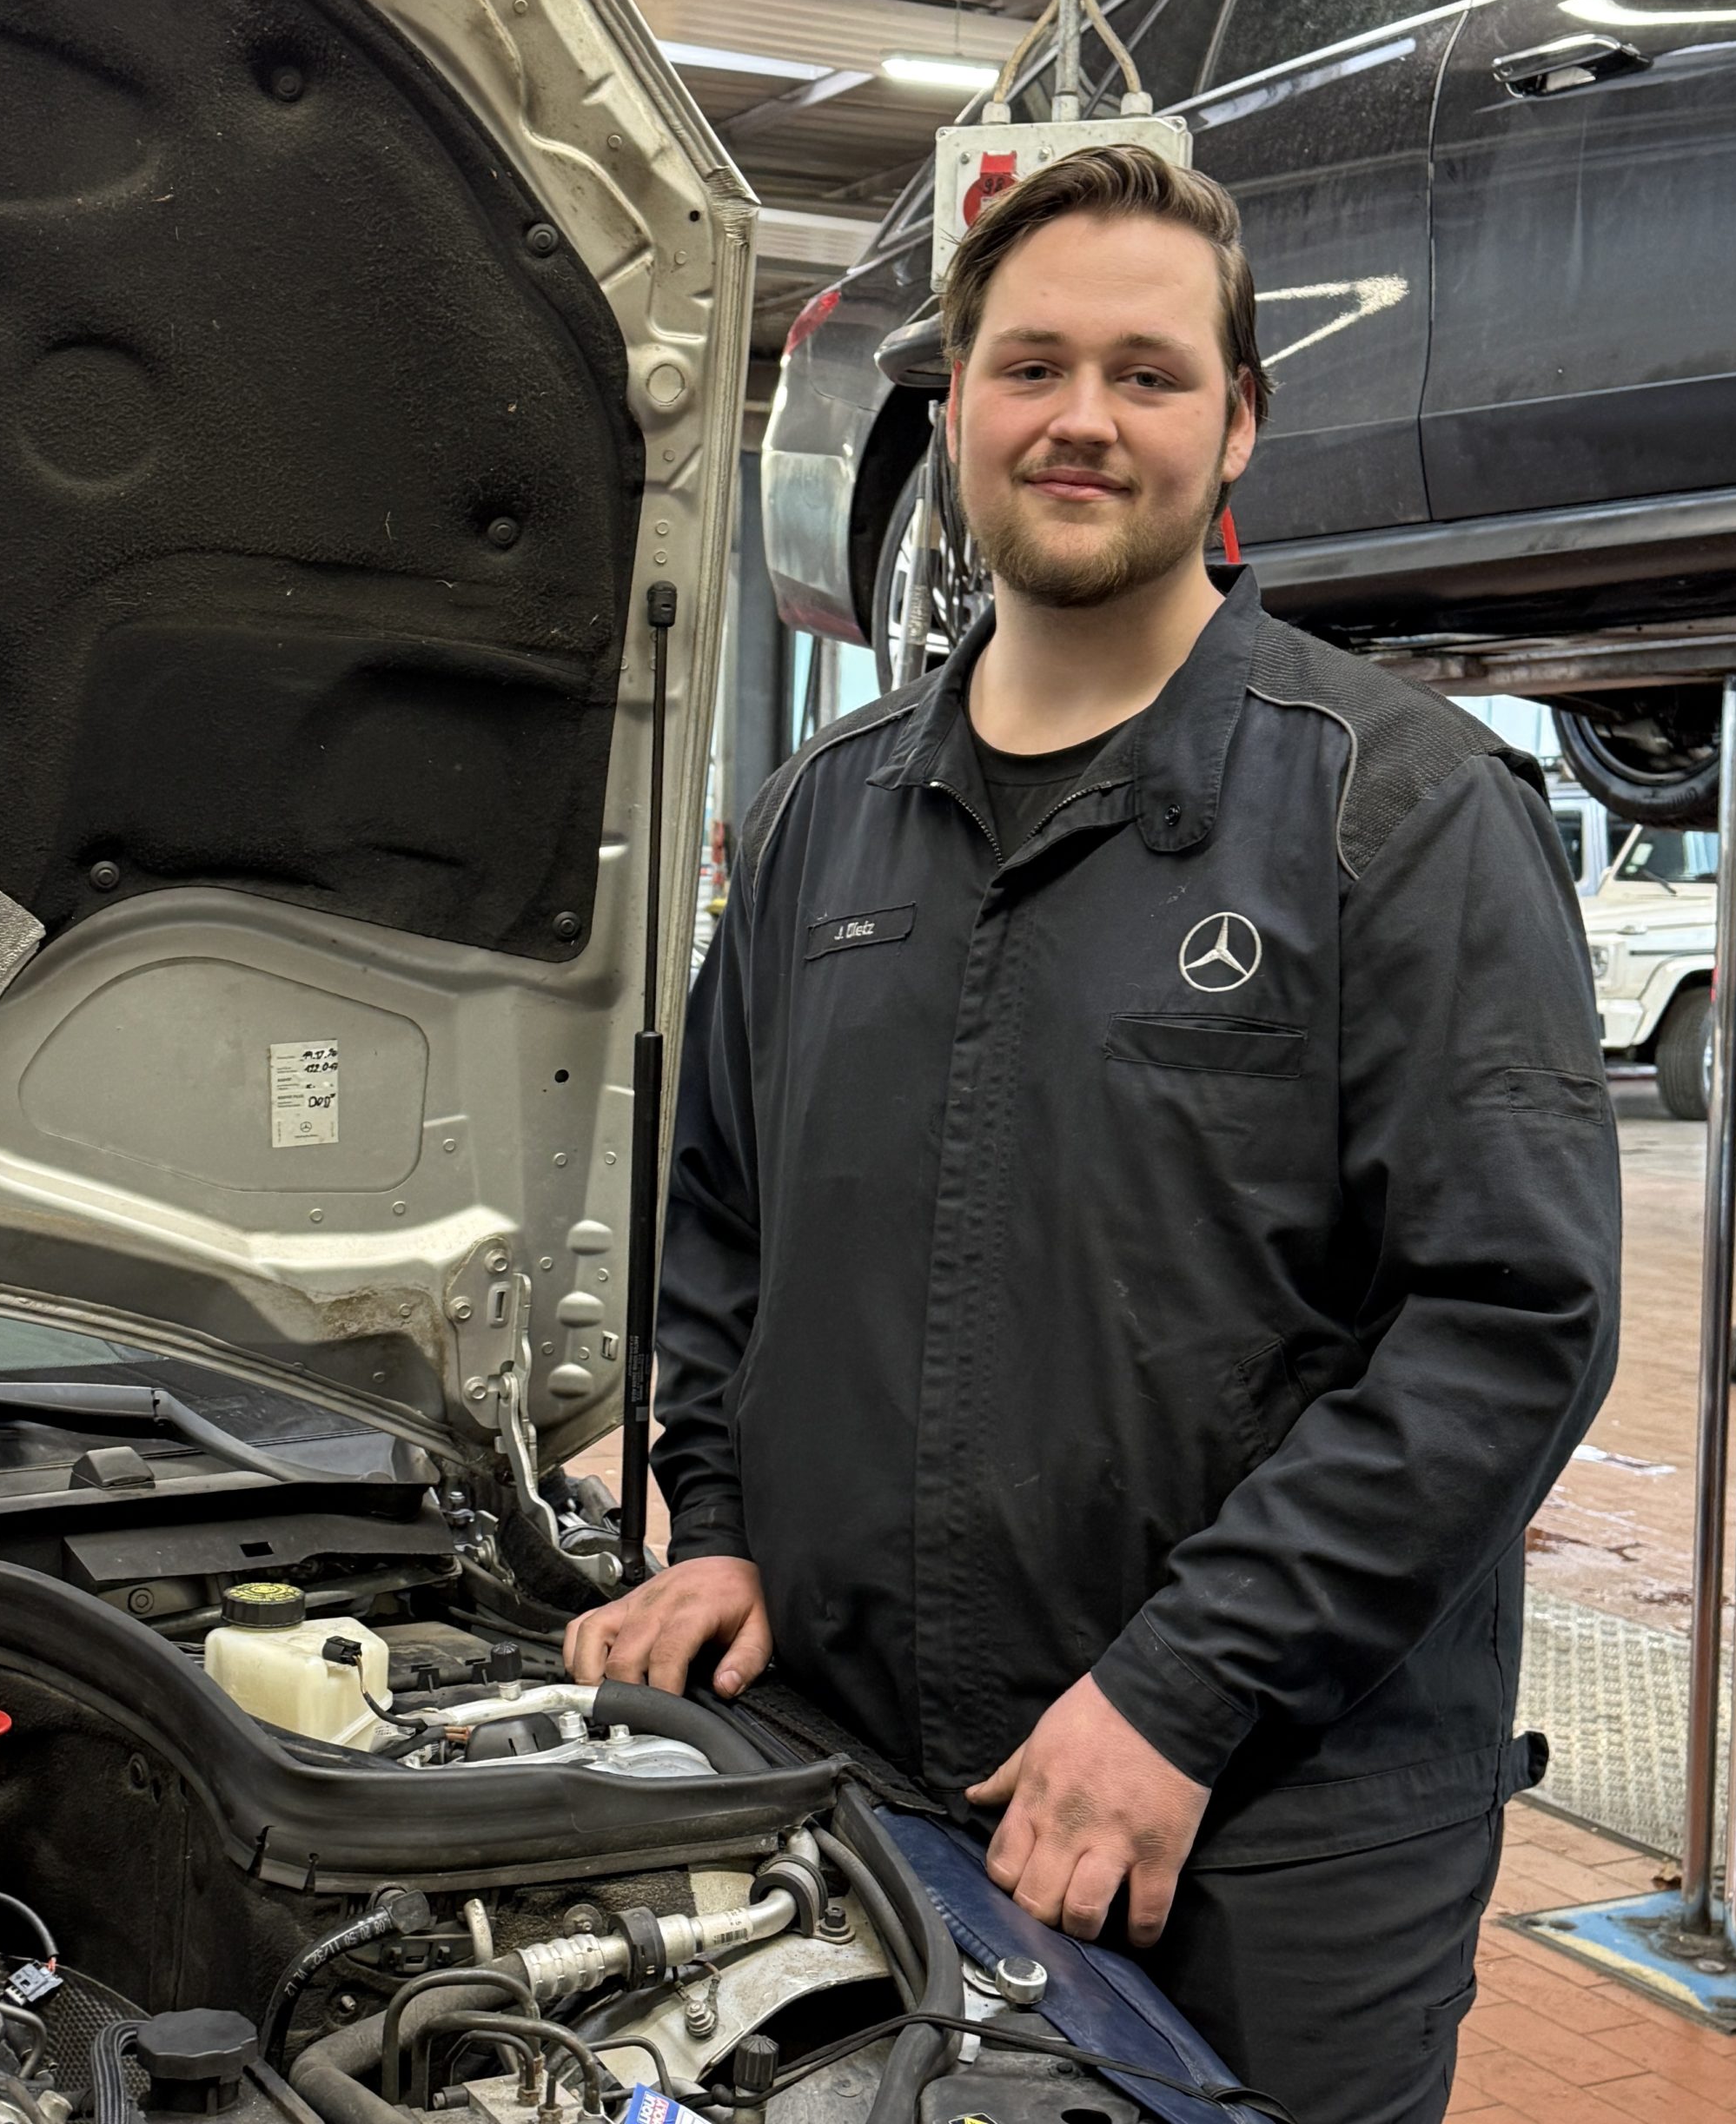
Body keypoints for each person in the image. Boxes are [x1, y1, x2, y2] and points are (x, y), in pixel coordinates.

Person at [565, 146, 1620, 2122]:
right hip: (855, 1754)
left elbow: (1502, 1321)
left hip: (1264, 1817)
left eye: (1144, 373)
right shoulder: (816, 823)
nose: (1079, 418)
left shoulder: (1388, 814)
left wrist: (1175, 1689)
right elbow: (713, 1237)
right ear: (951, 406)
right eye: (1028, 365)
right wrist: (713, 1528)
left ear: (1236, 421)